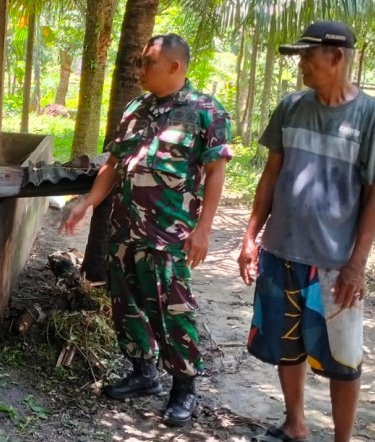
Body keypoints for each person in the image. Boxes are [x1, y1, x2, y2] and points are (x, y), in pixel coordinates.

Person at [61, 33, 232, 426]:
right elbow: (114, 164)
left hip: (169, 235)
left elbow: (215, 173)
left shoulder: (205, 110)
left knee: (172, 309)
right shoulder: (137, 107)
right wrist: (87, 202)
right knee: (126, 305)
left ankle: (184, 388)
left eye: (147, 63)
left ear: (175, 67)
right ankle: (143, 374)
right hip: (125, 229)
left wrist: (203, 229)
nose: (139, 70)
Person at [237, 21, 375, 442]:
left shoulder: (371, 115)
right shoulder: (291, 106)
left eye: (309, 55)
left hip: (334, 262)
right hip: (281, 252)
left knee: (344, 357)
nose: (302, 64)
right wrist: (251, 236)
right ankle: (296, 423)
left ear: (337, 57)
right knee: (287, 346)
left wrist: (357, 263)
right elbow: (270, 176)